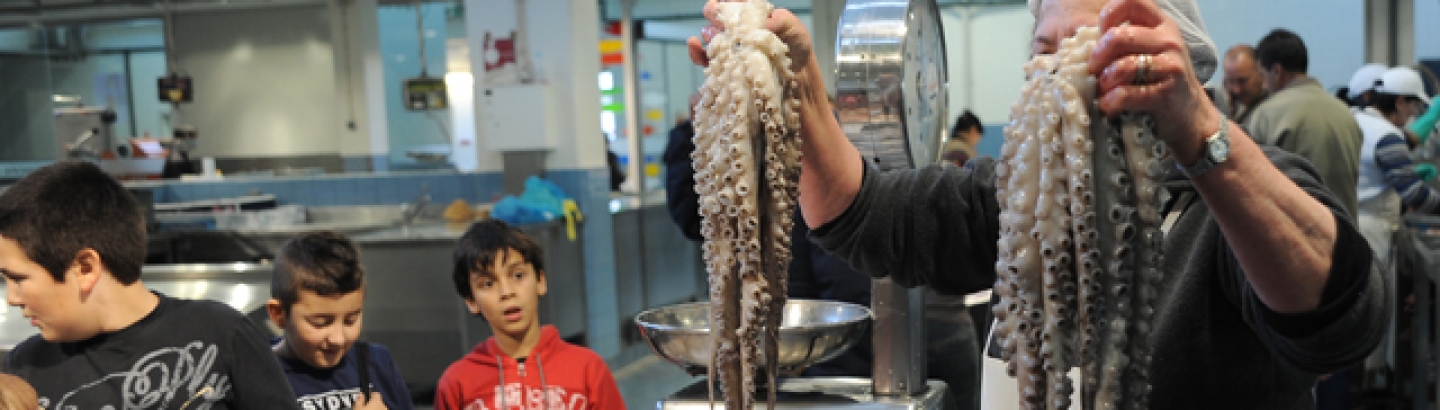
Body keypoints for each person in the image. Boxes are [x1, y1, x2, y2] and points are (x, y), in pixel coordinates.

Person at [687, 0, 1387, 408]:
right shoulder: (1015, 194)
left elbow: (1338, 322)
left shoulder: (1233, 196)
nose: (1052, 70)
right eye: (1043, 48)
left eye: (1089, 49)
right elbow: (864, 214)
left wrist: (1201, 136)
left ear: (1170, 63)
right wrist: (799, 78)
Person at [0, 160, 301, 409]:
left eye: (18, 279)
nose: (11, 298)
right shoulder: (24, 371)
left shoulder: (219, 331)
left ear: (85, 268)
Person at [434, 220, 624, 410]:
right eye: (488, 284)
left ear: (540, 280)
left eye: (517, 276)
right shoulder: (457, 383)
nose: (507, 292)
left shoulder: (588, 369)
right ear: (471, 301)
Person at [266, 231, 413, 410]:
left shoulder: (375, 363)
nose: (338, 339)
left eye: (350, 320)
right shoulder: (257, 376)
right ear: (279, 314)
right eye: (321, 323)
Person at [1245, 28, 1364, 216]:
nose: (1263, 85)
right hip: (1345, 235)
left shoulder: (1267, 114)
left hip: (1294, 235)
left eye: (1262, 75)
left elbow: (1251, 185)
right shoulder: (1345, 113)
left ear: (1276, 71)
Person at [1220, 44, 1268, 124]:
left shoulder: (1272, 110)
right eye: (1231, 81)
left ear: (1261, 74)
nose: (1236, 90)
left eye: (1242, 81)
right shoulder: (1236, 108)